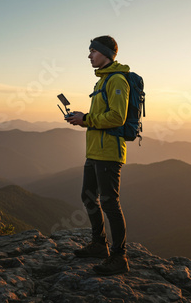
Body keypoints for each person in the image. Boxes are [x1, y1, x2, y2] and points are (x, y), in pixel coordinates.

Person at [66, 35, 130, 276]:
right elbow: (99, 119)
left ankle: (119, 257)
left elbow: (117, 117)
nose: (89, 55)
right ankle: (98, 245)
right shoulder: (102, 81)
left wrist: (87, 119)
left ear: (105, 53)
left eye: (92, 51)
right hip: (94, 151)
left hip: (109, 152)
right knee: (87, 196)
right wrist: (82, 120)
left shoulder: (116, 81)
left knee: (110, 203)